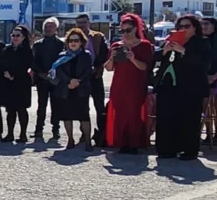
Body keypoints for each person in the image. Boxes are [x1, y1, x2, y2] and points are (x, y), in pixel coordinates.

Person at [153, 15, 210, 160]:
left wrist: (183, 51)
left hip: (191, 87)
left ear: (195, 28)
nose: (183, 29)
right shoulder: (170, 40)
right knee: (166, 117)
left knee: (189, 118)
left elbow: (204, 63)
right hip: (168, 85)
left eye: (187, 26)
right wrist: (164, 51)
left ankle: (189, 150)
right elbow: (155, 57)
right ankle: (166, 149)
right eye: (180, 27)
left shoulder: (201, 42)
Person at [104, 14, 154, 154]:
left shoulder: (144, 45)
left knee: (134, 113)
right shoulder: (116, 45)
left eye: (128, 30)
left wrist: (132, 58)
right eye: (122, 30)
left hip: (136, 84)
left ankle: (134, 143)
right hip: (119, 84)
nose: (125, 33)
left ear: (136, 29)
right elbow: (108, 68)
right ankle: (122, 143)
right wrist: (112, 58)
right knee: (119, 114)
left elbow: (145, 67)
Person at [48, 27, 94, 149]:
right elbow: (59, 71)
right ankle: (70, 140)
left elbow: (88, 71)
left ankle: (88, 142)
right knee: (67, 116)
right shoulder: (62, 56)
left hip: (81, 89)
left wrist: (77, 82)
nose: (73, 43)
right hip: (66, 89)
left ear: (81, 42)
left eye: (76, 40)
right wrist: (69, 82)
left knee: (84, 116)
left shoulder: (86, 55)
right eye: (71, 40)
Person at [75, 13, 111, 145]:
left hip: (95, 76)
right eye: (79, 23)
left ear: (88, 23)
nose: (81, 25)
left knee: (99, 107)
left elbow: (104, 54)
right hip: (80, 78)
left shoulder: (98, 37)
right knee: (82, 107)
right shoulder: (73, 38)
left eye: (84, 22)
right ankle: (85, 134)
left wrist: (96, 68)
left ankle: (102, 134)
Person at [0, 25, 34, 143]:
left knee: (21, 109)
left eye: (18, 35)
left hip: (22, 82)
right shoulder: (6, 49)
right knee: (10, 110)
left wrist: (13, 74)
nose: (15, 38)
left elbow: (26, 65)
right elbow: (0, 63)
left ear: (23, 37)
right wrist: (5, 72)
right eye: (13, 35)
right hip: (8, 83)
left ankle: (23, 134)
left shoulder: (27, 51)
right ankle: (9, 134)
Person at [31, 17, 64, 141]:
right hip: (41, 78)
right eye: (46, 26)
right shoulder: (37, 44)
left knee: (56, 105)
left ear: (56, 28)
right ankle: (38, 130)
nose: (48, 28)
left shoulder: (61, 44)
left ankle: (56, 130)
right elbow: (33, 61)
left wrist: (55, 74)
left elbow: (63, 62)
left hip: (56, 79)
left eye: (51, 26)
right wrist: (40, 73)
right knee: (41, 105)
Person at [199, 16, 217, 148]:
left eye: (206, 24)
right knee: (205, 106)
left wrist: (215, 76)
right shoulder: (200, 40)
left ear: (214, 25)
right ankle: (208, 134)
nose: (203, 26)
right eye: (202, 24)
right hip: (203, 77)